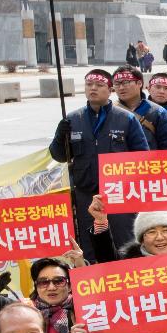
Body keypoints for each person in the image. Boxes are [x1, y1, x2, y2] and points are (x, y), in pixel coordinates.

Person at [49, 69, 150, 256]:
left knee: (124, 244)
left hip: (119, 197)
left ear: (110, 89)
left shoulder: (126, 119)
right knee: (89, 245)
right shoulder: (72, 119)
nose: (93, 88)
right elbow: (59, 155)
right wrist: (60, 136)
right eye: (89, 85)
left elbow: (143, 158)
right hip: (85, 195)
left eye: (99, 85)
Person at [112, 66, 167, 151]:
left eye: (126, 82)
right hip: (118, 164)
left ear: (139, 83)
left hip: (148, 163)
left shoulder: (158, 113)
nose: (121, 87)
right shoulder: (109, 112)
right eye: (117, 84)